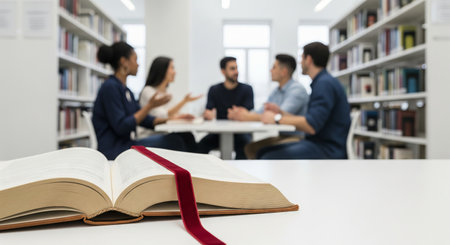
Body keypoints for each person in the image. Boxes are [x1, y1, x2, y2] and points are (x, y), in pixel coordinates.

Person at [92, 41, 188, 160]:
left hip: (127, 144)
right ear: (124, 62)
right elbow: (122, 127)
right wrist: (149, 106)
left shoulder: (125, 90)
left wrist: (170, 119)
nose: (138, 64)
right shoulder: (110, 87)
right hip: (116, 149)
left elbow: (145, 120)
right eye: (135, 59)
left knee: (185, 137)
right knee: (175, 141)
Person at [258, 42, 351, 159]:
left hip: (327, 149)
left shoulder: (324, 84)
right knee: (262, 152)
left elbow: (311, 125)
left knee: (267, 157)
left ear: (309, 59)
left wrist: (277, 119)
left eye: (302, 58)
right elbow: (311, 118)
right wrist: (280, 112)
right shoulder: (323, 82)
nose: (300, 62)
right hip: (318, 144)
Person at [227, 54, 309, 159]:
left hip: (297, 137)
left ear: (283, 71)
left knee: (262, 153)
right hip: (282, 136)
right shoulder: (277, 91)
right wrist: (244, 113)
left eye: (274, 67)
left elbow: (277, 116)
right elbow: (262, 112)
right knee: (249, 148)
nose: (270, 70)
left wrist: (246, 116)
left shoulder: (297, 90)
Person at [139, 56, 202, 153]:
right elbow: (163, 115)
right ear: (162, 70)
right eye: (172, 68)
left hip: (163, 132)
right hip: (150, 134)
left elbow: (173, 113)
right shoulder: (148, 91)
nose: (175, 72)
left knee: (188, 135)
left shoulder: (166, 93)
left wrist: (184, 106)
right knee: (178, 140)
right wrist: (183, 103)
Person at [197, 56, 254, 159]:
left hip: (241, 133)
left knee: (245, 147)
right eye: (232, 68)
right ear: (223, 71)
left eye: (237, 68)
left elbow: (246, 112)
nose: (236, 71)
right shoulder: (214, 89)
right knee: (200, 147)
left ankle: (237, 175)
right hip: (218, 133)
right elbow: (209, 111)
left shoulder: (247, 89)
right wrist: (208, 115)